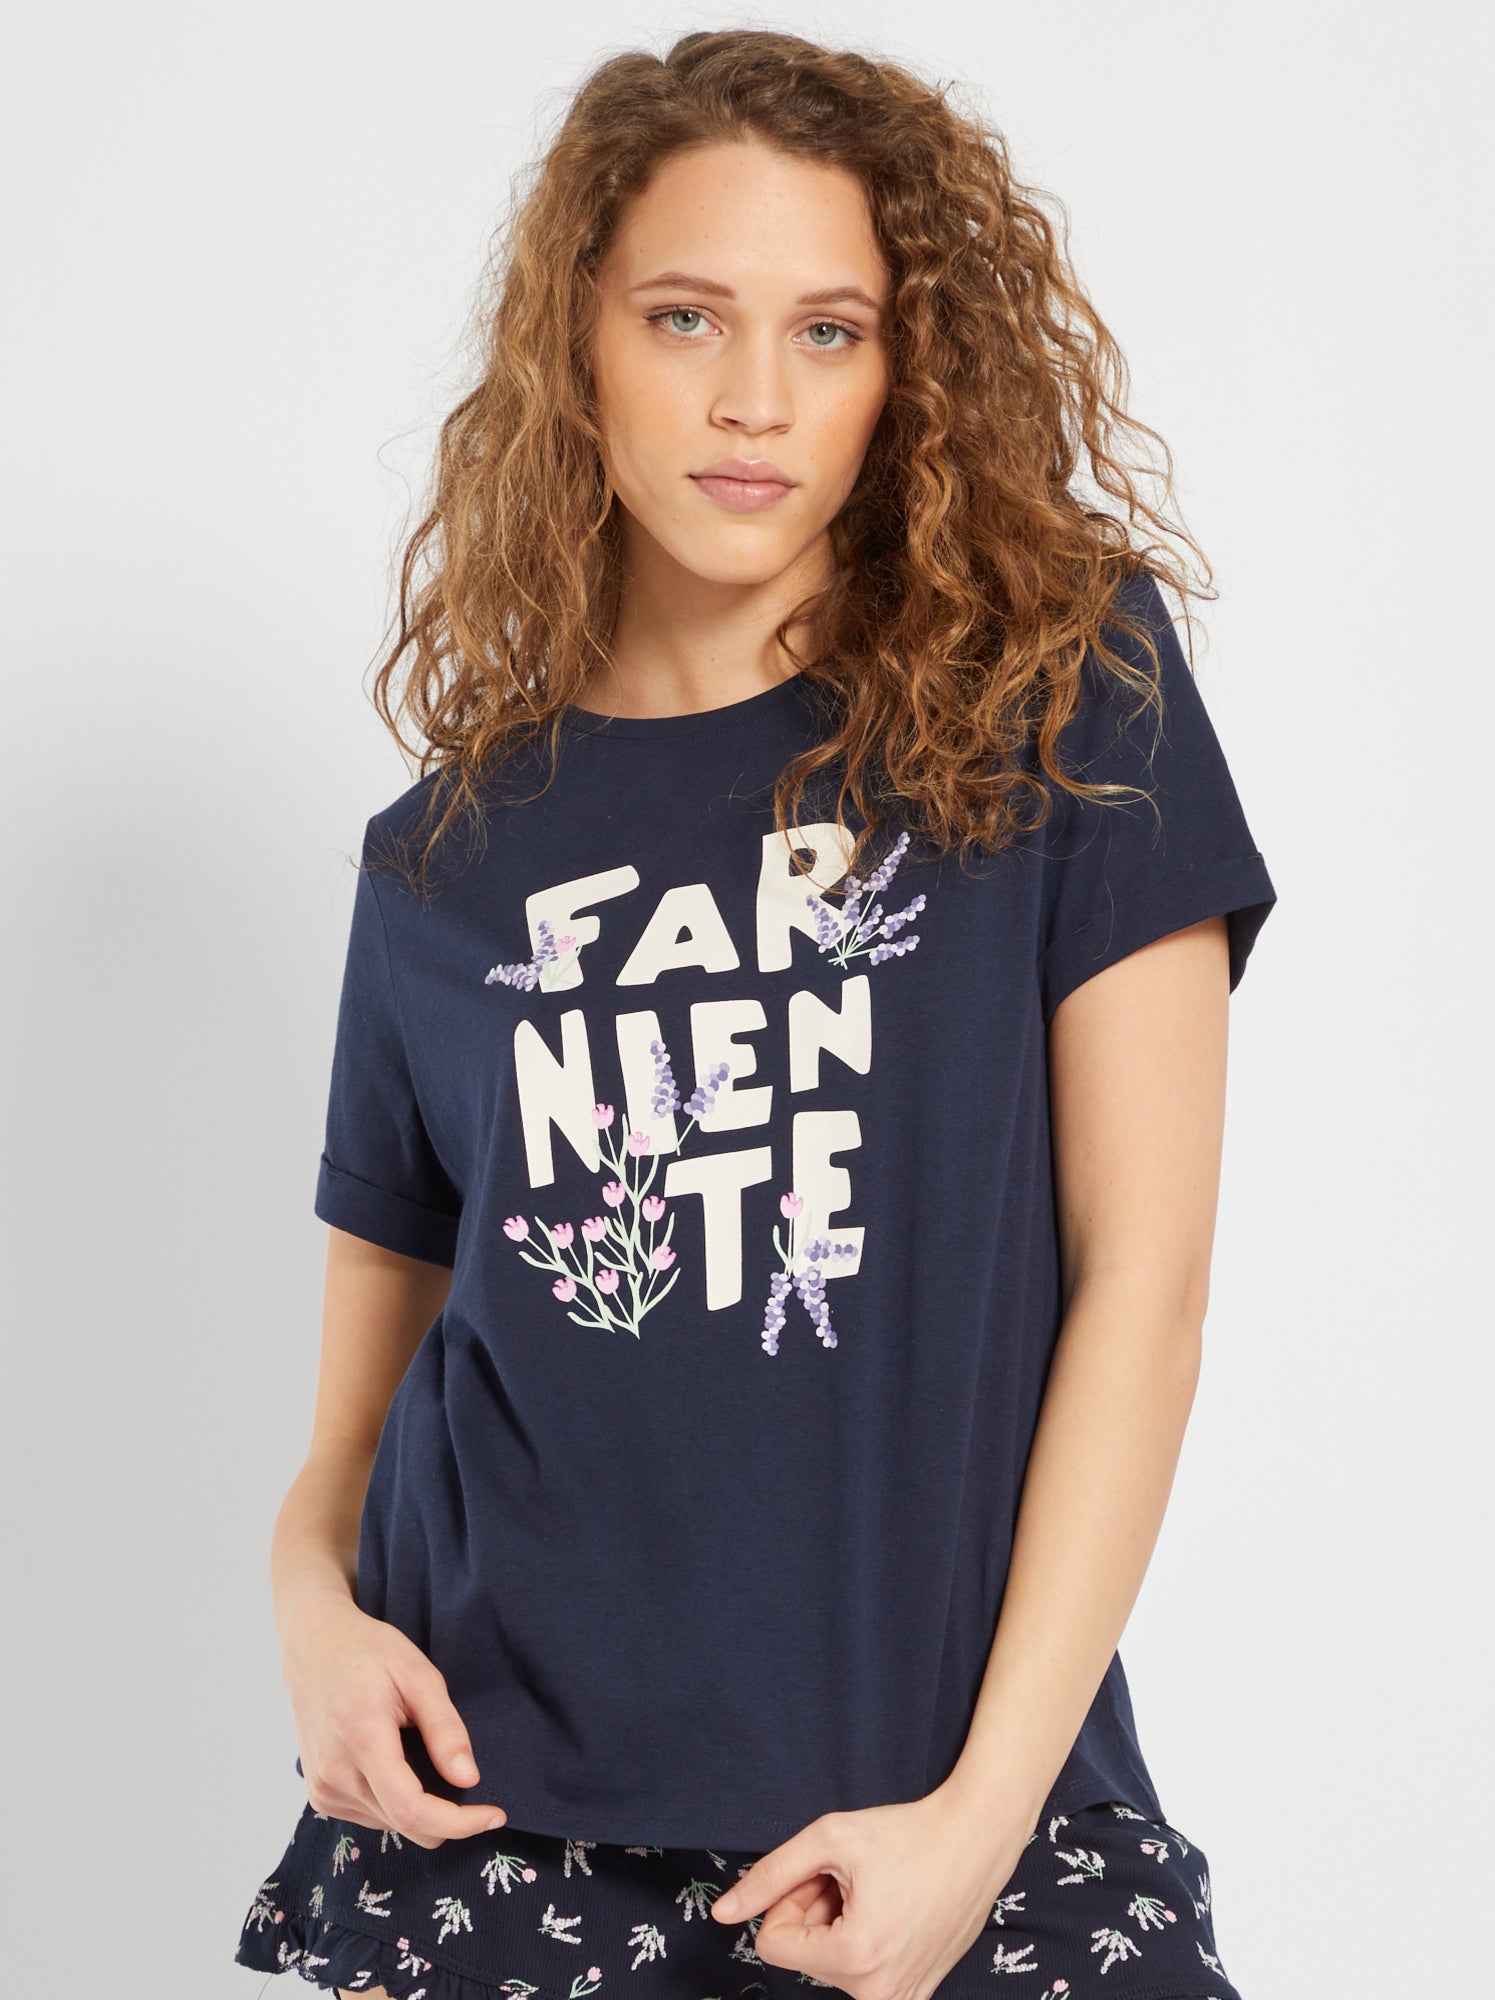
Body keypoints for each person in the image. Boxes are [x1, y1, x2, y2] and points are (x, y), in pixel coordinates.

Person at [234, 28, 1275, 2000]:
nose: (752, 399)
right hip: (494, 1830)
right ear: (578, 343)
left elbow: (1144, 1291)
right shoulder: (441, 862)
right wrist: (310, 1624)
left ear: (906, 374)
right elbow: (359, 1425)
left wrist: (979, 1823)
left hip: (965, 1818)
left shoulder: (1062, 708)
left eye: (829, 331)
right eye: (686, 316)